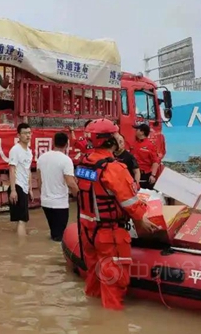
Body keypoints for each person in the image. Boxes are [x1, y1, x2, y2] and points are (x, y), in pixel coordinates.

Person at [76, 119, 158, 310]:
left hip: (87, 231)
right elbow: (130, 202)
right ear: (111, 139)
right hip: (109, 234)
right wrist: (142, 221)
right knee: (114, 283)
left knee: (94, 279)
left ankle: (93, 320)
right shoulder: (115, 169)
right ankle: (112, 325)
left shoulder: (84, 164)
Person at [36, 132, 77, 241]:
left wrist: (44, 195)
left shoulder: (42, 158)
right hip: (60, 204)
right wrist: (79, 196)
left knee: (54, 233)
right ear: (67, 144)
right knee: (60, 237)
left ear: (53, 142)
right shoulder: (66, 160)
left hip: (45, 202)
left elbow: (39, 181)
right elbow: (70, 183)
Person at [8, 122, 33, 236]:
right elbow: (12, 169)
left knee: (21, 219)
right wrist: (13, 190)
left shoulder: (29, 151)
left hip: (24, 187)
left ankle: (18, 244)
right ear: (18, 135)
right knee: (22, 220)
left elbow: (28, 170)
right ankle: (22, 248)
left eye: (29, 133)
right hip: (17, 186)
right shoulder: (15, 150)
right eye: (25, 133)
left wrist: (31, 189)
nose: (28, 135)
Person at [129, 123, 161, 190]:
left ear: (142, 132)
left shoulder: (150, 145)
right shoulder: (134, 143)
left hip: (144, 176)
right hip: (133, 173)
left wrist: (153, 175)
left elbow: (155, 161)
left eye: (137, 129)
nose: (135, 131)